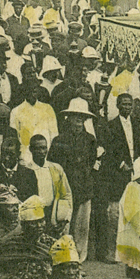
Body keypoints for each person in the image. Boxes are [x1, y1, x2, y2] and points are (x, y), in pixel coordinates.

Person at [48, 98, 97, 259]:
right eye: (75, 117)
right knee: (64, 223)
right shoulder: (59, 140)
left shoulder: (90, 140)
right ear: (69, 118)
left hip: (84, 186)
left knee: (82, 226)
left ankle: (79, 257)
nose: (78, 121)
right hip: (65, 187)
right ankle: (63, 256)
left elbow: (91, 161)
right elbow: (53, 164)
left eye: (81, 117)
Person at [10, 79, 58, 161]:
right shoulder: (16, 111)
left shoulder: (47, 108)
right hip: (26, 156)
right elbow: (15, 136)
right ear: (24, 92)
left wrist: (51, 154)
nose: (32, 95)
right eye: (29, 92)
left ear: (38, 92)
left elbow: (54, 134)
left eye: (34, 92)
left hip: (46, 154)